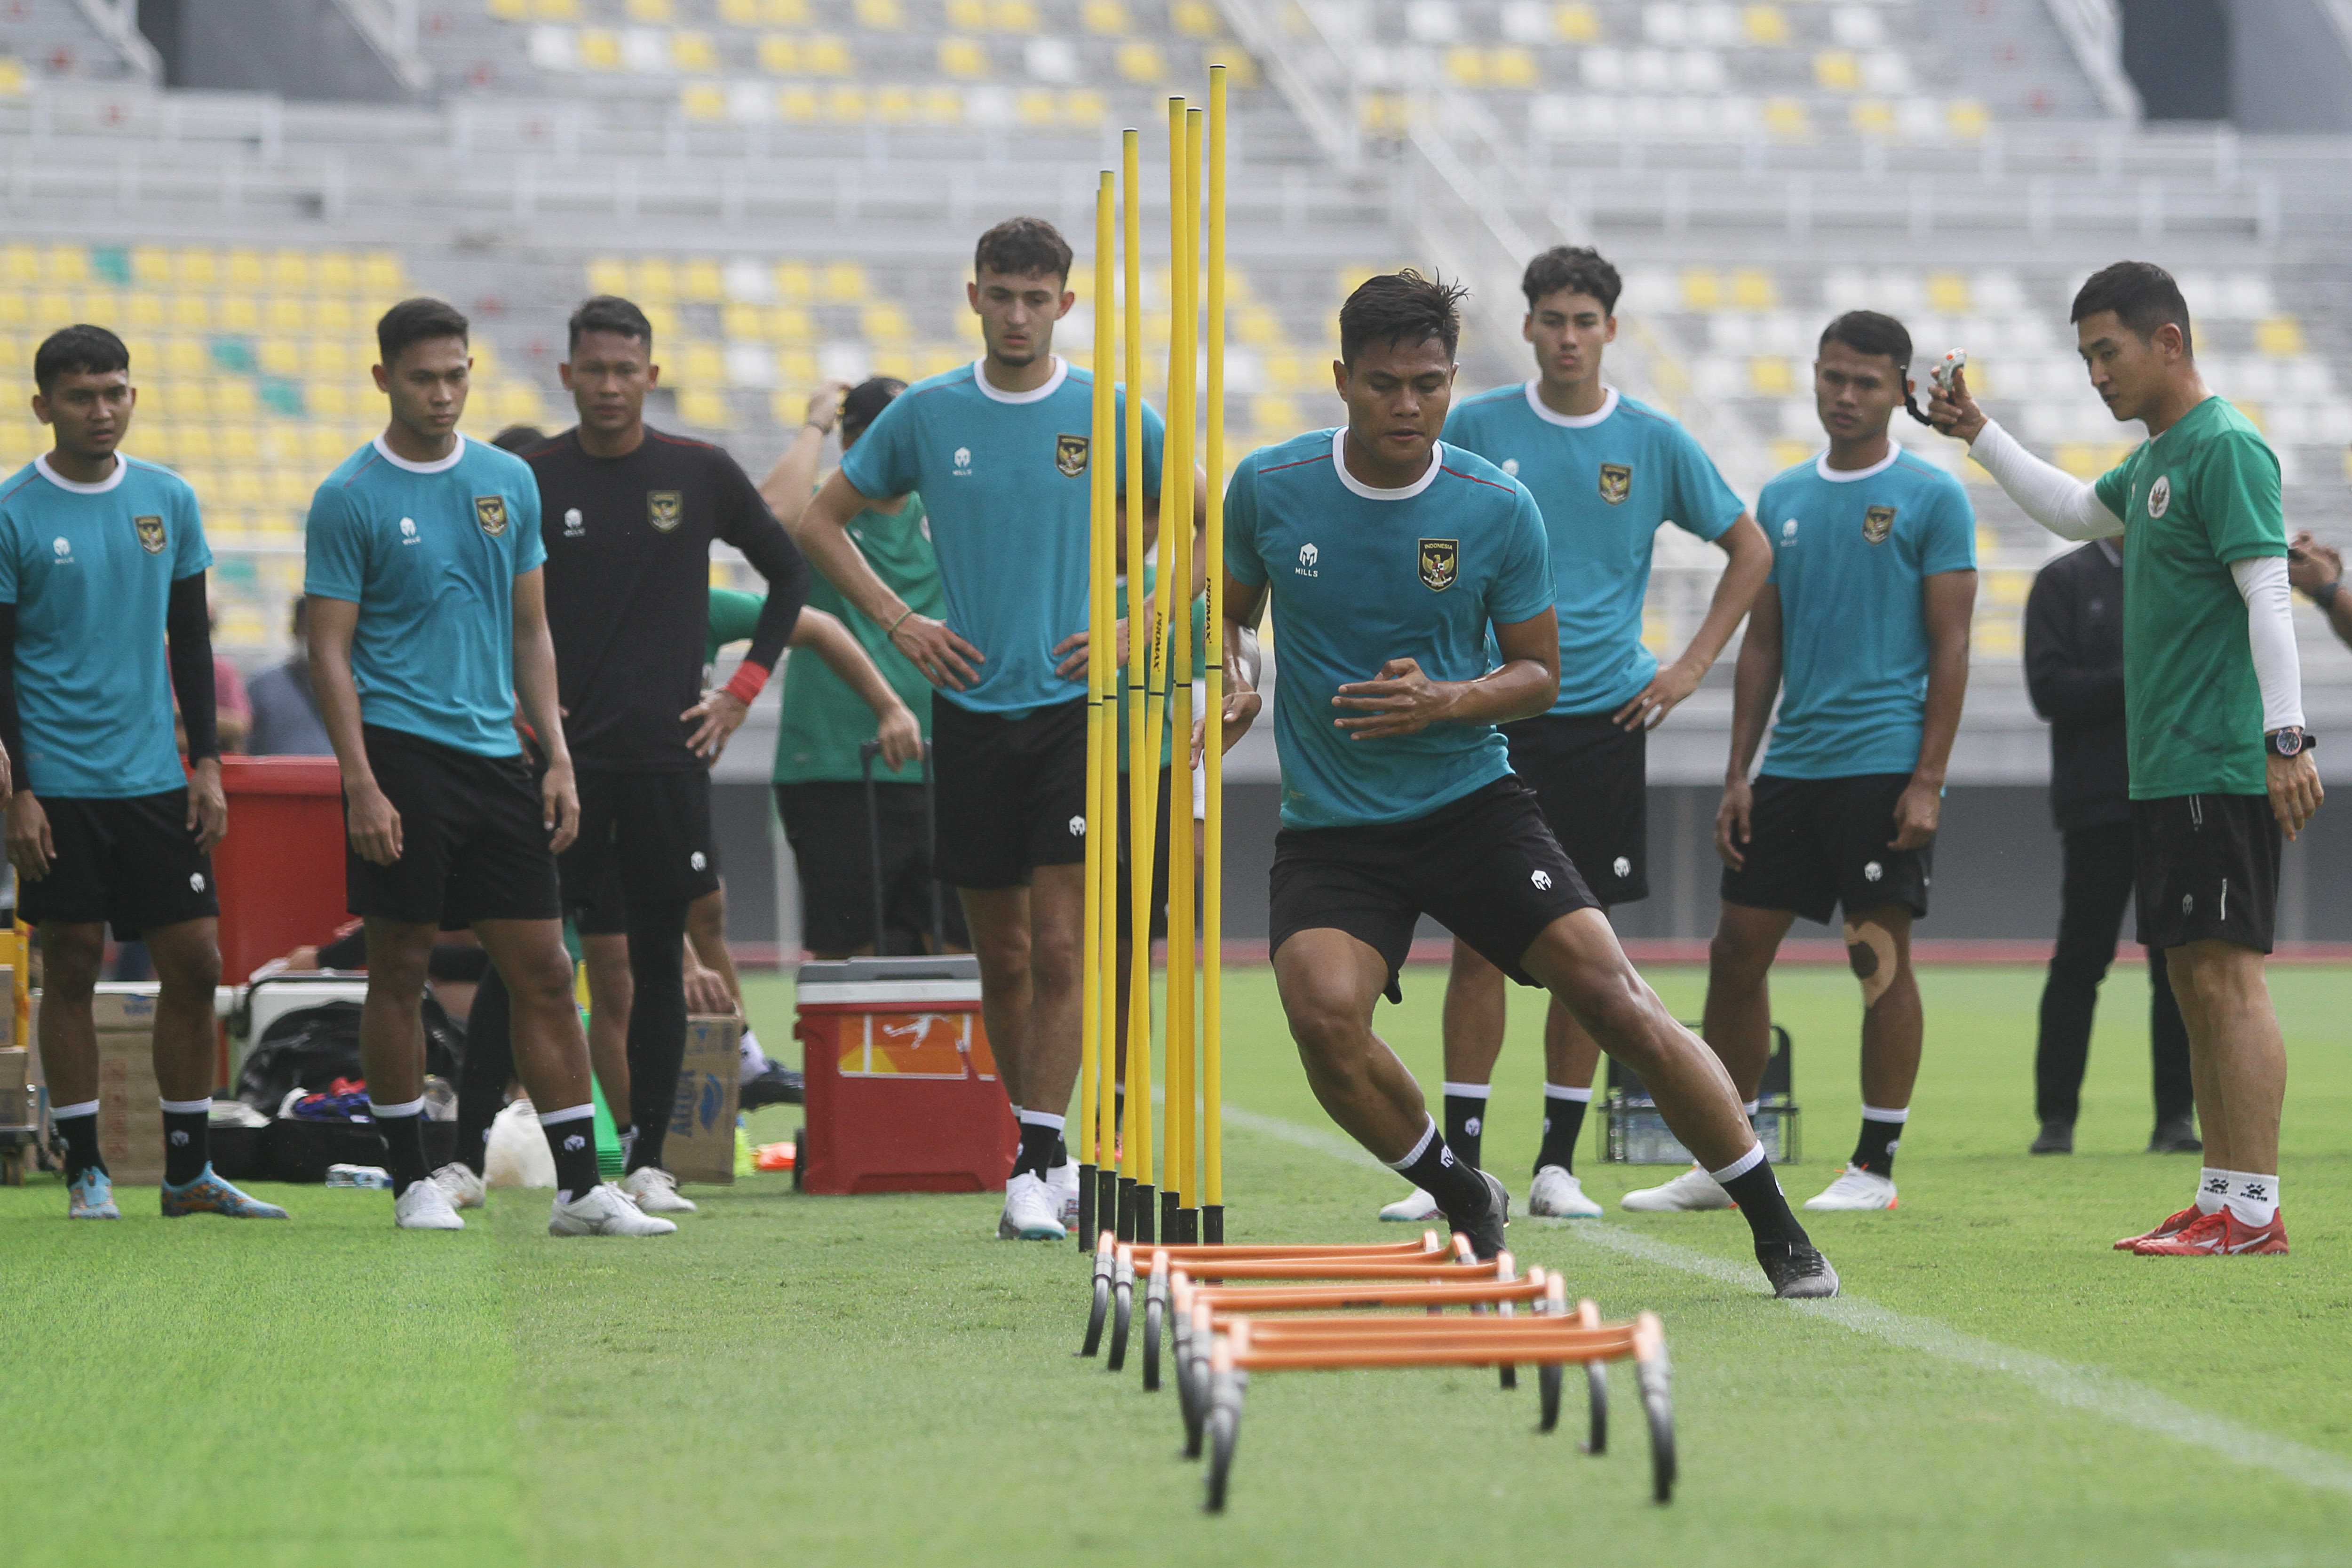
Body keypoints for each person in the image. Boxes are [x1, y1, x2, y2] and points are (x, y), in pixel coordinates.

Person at [1212, 271, 1836, 1295]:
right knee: (1323, 1015)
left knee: (1614, 995)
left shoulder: (1497, 507)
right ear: (1339, 380)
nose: (1405, 407)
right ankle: (1461, 1188)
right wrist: (1232, 672)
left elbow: (1539, 676)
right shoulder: (1269, 485)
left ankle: (1774, 1223)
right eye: (1381, 385)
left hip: (1470, 804)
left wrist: (1446, 702)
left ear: (1454, 379)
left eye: (1426, 384)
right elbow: (1227, 612)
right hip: (1334, 824)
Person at [795, 218, 1179, 1242]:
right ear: (974, 298)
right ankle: (1039, 1145)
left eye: (1036, 296)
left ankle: (1039, 1158)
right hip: (967, 709)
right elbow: (816, 522)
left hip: (1072, 714)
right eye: (1001, 295)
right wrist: (899, 622)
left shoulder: (1108, 410)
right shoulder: (926, 413)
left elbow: (1197, 521)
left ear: (1066, 303)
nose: (1018, 314)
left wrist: (1138, 618)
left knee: (1063, 944)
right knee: (999, 957)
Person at [1372, 244, 1772, 1226]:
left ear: (1610, 329)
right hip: (1489, 715)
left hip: (1597, 714)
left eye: (1583, 320)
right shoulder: (1475, 426)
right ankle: (1461, 1165)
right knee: (1475, 942)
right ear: (1528, 326)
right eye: (1549, 319)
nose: (1565, 337)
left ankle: (1557, 1163)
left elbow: (1748, 546)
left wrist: (1684, 670)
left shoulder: (1650, 439)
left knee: (1580, 951)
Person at [1931, 260, 2319, 1257]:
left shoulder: (2225, 447)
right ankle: (2222, 1194)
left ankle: (2254, 1210)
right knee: (2192, 982)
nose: (2095, 373)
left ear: (2169, 343)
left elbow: (2269, 598)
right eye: (2085, 356)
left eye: (2107, 351)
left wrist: (2286, 737)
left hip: (2215, 763)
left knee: (2228, 982)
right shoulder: (2155, 460)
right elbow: (2067, 509)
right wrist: (1979, 432)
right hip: (2163, 771)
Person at [304, 295, 671, 1235]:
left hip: (497, 759)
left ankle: (582, 1190)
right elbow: (330, 653)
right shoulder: (349, 496)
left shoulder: (508, 477)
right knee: (402, 967)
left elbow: (532, 627)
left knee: (546, 971)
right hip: (402, 757)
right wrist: (361, 781)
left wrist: (555, 755)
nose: (442, 392)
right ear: (384, 378)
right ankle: (411, 1180)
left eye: (457, 374)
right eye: (423, 377)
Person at [1630, 311, 1978, 1217]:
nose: (1846, 395)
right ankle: (1727, 1152)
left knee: (1877, 959)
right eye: (1833, 377)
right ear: (1814, 379)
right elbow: (1761, 648)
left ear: (1900, 389)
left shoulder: (1934, 497)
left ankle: (1874, 1164)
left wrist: (1928, 779)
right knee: (1734, 951)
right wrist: (1739, 771)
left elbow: (1953, 648)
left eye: (1866, 381)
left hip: (1881, 763)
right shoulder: (1781, 495)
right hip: (1791, 767)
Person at [473, 294, 810, 1222]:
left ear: (651, 375)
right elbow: (473, 594)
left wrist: (742, 693)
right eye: (595, 369)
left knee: (658, 962)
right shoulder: (524, 474)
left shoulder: (697, 471)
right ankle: (463, 1156)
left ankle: (651, 1160)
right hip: (555, 768)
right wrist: (509, 705)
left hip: (666, 765)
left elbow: (790, 573)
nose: (611, 385)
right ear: (566, 375)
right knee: (525, 957)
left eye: (628, 370)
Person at [0, 324, 280, 1220]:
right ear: (44, 405)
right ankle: (85, 1168)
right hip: (60, 781)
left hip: (156, 778)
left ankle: (186, 1172)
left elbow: (191, 638)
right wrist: (21, 790)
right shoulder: (13, 512)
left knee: (196, 961)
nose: (102, 410)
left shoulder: (168, 498)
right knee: (73, 961)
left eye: (116, 391)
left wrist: (206, 760)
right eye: (81, 396)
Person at [759, 378, 968, 961]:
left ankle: (953, 1059)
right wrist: (813, 425)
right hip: (835, 766)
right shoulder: (822, 513)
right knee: (849, 954)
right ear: (852, 442)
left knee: (957, 951)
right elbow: (771, 514)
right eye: (884, 437)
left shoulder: (943, 512)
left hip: (942, 766)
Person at [2023, 538, 2197, 1155]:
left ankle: (2177, 1118)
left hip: (2176, 795)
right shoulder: (2063, 580)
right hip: (2097, 802)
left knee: (2176, 963)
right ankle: (2056, 1119)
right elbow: (2048, 690)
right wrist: (2145, 676)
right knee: (2079, 959)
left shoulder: (2182, 570)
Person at [246, 597, 333, 755]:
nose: (317, 636)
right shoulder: (263, 686)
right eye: (309, 627)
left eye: (327, 627)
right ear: (295, 629)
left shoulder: (359, 686)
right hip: (279, 778)